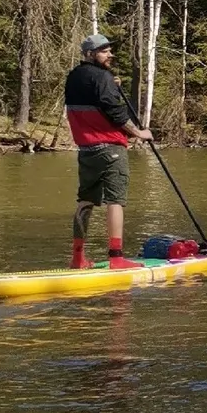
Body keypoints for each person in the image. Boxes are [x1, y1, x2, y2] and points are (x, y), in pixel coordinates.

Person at [65, 34, 154, 269]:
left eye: (109, 50)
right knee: (115, 201)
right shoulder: (102, 77)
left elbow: (93, 97)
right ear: (90, 54)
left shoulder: (74, 76)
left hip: (86, 149)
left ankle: (78, 258)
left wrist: (110, 85)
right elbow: (116, 113)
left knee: (85, 201)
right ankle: (116, 258)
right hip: (110, 148)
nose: (110, 55)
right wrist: (139, 133)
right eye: (104, 51)